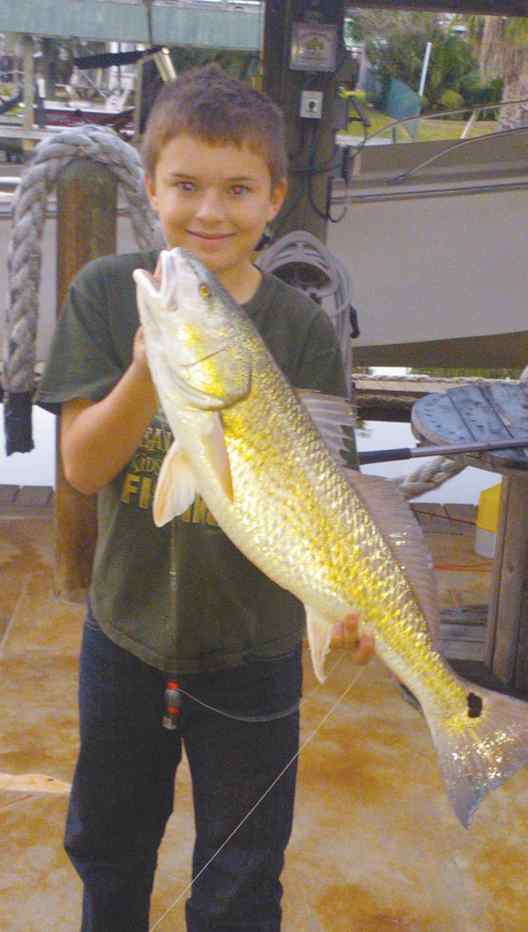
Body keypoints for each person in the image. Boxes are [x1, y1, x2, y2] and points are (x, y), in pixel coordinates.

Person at [36, 63, 374, 932]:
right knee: (109, 848)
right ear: (150, 187)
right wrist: (152, 367)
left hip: (256, 650)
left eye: (238, 189)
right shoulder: (113, 297)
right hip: (125, 637)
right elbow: (80, 465)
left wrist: (348, 602)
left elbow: (329, 495)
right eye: (185, 185)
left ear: (275, 199)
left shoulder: (300, 331)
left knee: (242, 876)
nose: (209, 212)